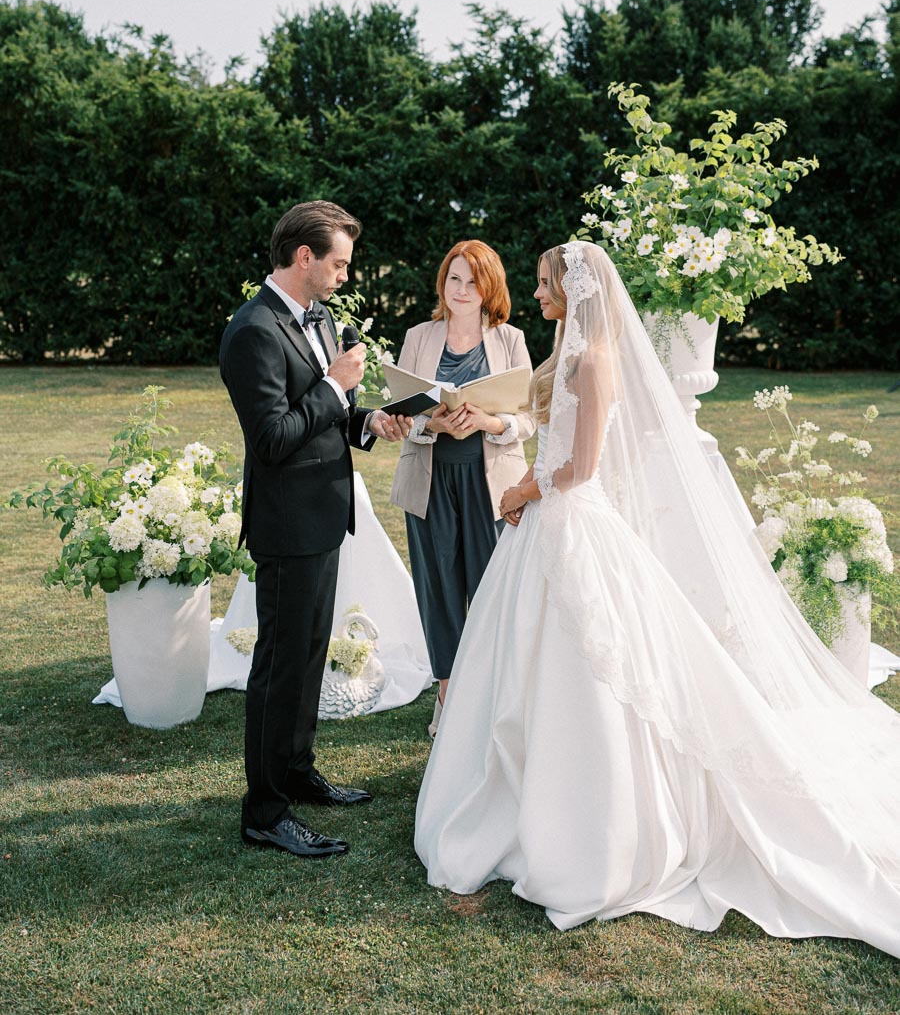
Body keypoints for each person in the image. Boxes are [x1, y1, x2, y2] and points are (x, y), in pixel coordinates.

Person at [415, 240, 900, 957]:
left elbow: (584, 467)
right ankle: (516, 797)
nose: (539, 294)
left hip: (569, 522)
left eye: (548, 286)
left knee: (596, 671)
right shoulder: (565, 352)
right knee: (519, 662)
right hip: (540, 530)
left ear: (577, 291)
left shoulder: (597, 360)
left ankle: (598, 825)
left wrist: (522, 489)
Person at [220, 200, 412, 859]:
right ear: (304, 257)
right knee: (277, 668)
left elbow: (333, 414)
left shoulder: (322, 318)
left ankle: (296, 773)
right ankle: (265, 811)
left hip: (326, 514)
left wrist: (368, 422)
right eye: (337, 263)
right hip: (285, 522)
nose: (343, 277)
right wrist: (334, 388)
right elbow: (273, 437)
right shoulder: (253, 331)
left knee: (307, 655)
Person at [390, 241, 535, 736]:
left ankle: (492, 694)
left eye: (472, 281)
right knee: (438, 587)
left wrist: (490, 422)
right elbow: (400, 413)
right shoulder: (419, 336)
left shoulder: (511, 339)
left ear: (489, 286)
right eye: (454, 278)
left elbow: (530, 418)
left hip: (492, 482)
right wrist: (435, 427)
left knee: (491, 586)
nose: (462, 289)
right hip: (429, 480)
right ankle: (448, 695)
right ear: (443, 283)